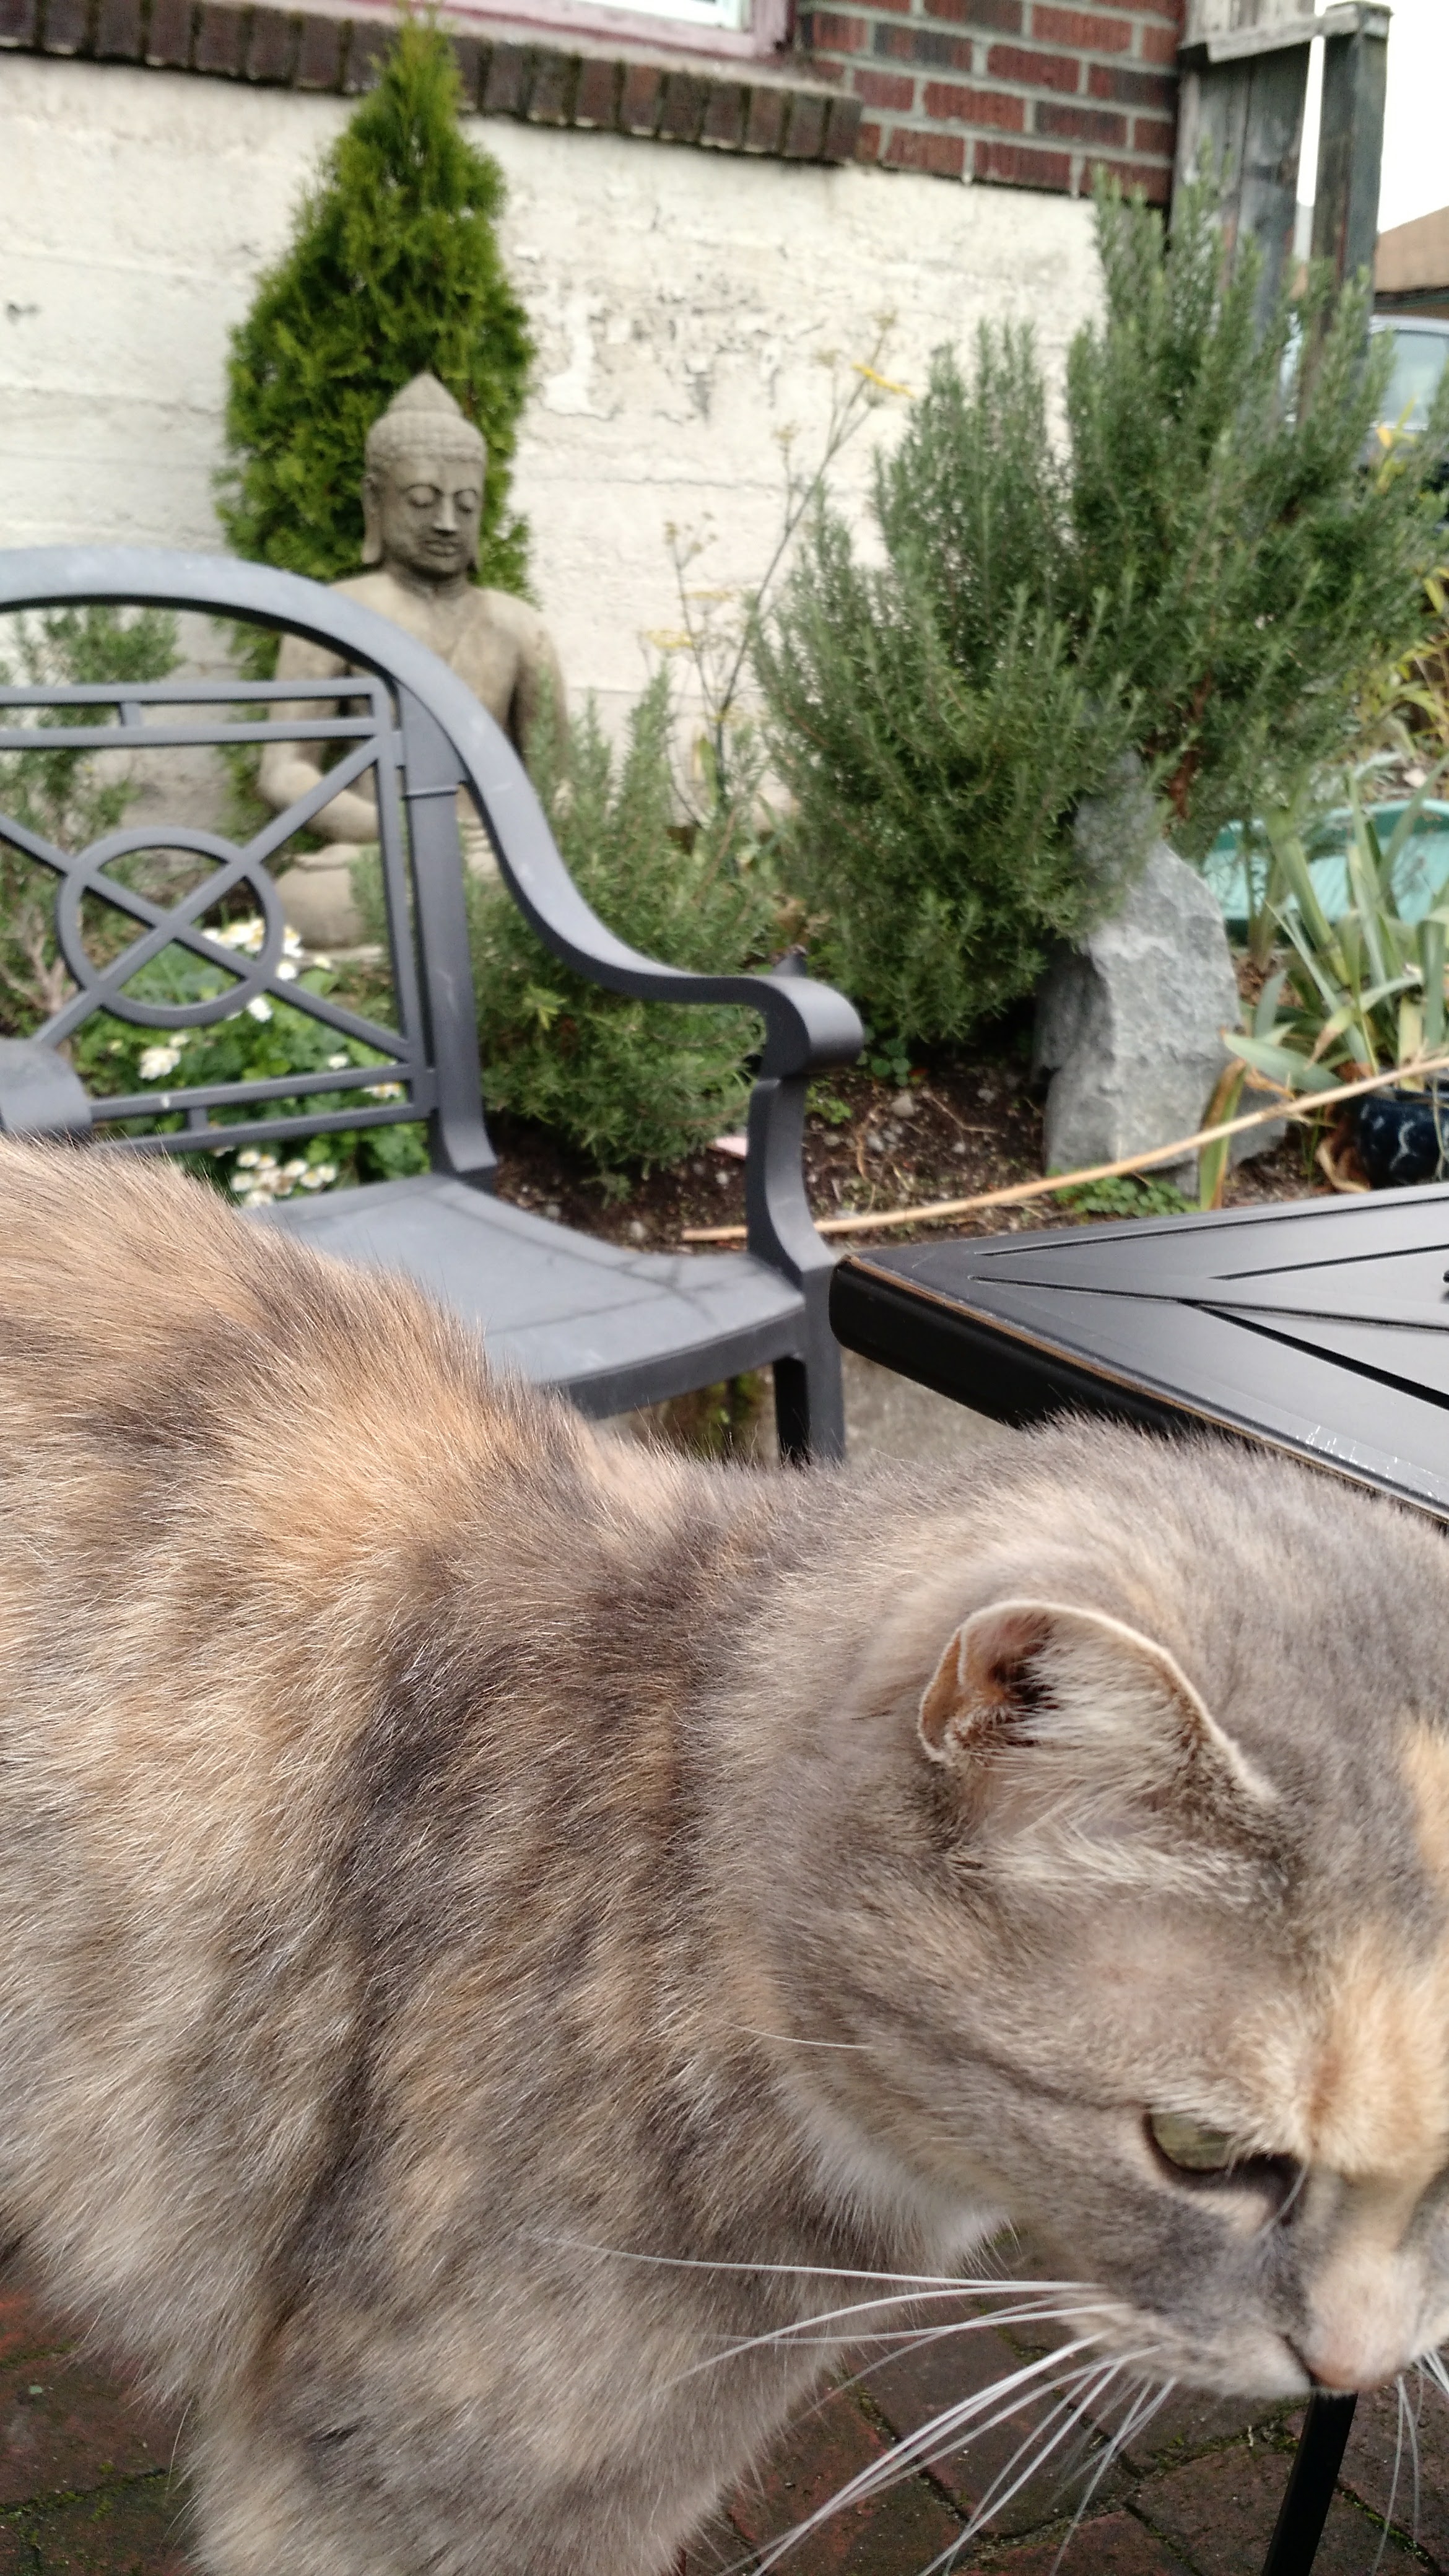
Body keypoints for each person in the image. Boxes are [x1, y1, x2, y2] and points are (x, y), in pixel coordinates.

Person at [258, 373, 564, 949]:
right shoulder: (334, 613)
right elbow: (284, 772)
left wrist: (517, 838)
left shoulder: (518, 626)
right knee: (304, 902)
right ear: (375, 501)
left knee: (538, 893)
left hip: (487, 856)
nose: (447, 522)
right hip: (382, 855)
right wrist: (395, 831)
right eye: (422, 501)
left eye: (465, 504)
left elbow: (556, 776)